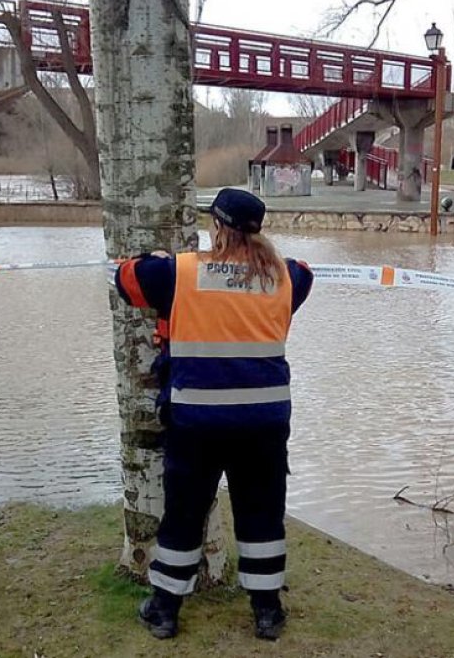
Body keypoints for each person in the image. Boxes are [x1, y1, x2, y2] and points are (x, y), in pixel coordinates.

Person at [114, 188, 314, 640]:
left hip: (196, 422)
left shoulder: (179, 273)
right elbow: (306, 273)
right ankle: (266, 611)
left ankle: (164, 609)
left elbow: (125, 279)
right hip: (263, 422)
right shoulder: (285, 278)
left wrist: (157, 255)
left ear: (217, 228)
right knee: (262, 513)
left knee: (184, 513)